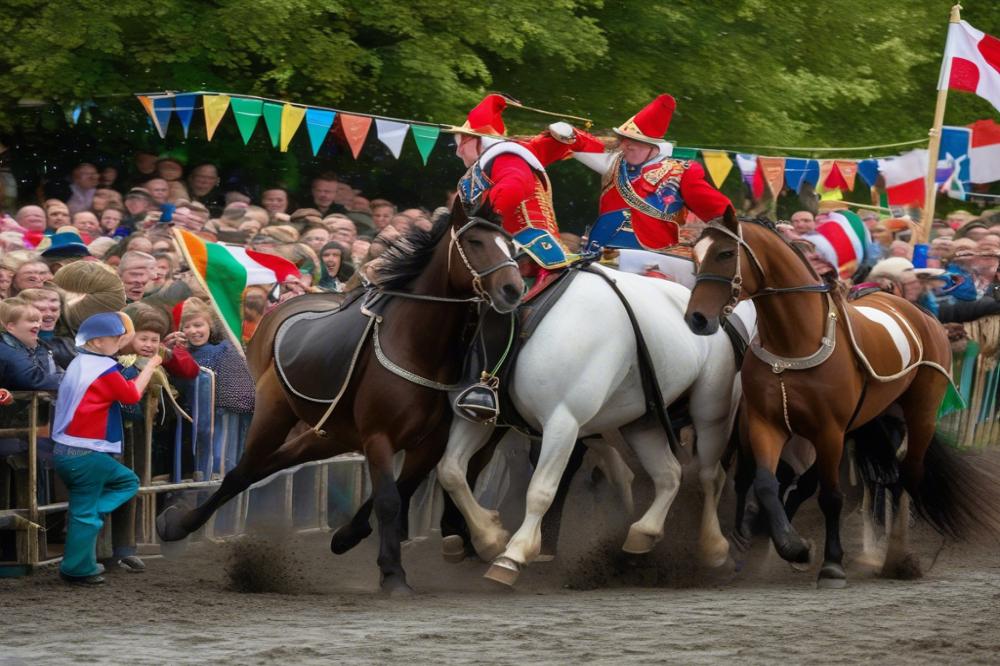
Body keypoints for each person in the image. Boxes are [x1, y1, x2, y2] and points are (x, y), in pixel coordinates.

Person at [51, 312, 161, 585]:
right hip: (86, 452)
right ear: (98, 341)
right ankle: (79, 568)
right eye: (116, 338)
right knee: (126, 484)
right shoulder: (103, 369)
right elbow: (131, 395)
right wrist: (151, 366)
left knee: (91, 505)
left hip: (68, 450)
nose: (121, 341)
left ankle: (81, 550)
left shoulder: (82, 361)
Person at [568, 94, 731, 255]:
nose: (627, 146)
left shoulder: (682, 172)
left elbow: (723, 215)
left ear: (655, 148)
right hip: (601, 253)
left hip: (652, 260)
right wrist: (567, 134)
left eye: (636, 142)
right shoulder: (614, 163)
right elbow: (579, 144)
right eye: (623, 140)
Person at [454, 94, 589, 270]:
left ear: (478, 140)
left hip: (525, 249)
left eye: (462, 141)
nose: (458, 151)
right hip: (521, 245)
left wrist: (480, 223)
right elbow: (543, 146)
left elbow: (513, 188)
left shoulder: (505, 158)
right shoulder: (507, 156)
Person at [177, 298, 255, 480]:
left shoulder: (224, 350)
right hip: (191, 421)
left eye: (198, 325)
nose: (193, 331)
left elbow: (241, 392)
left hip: (222, 419)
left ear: (210, 325)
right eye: (187, 326)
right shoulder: (180, 354)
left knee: (220, 462)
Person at [0, 298, 63, 390]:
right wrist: (73, 380)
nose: (38, 325)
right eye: (32, 321)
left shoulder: (36, 346)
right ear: (11, 326)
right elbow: (32, 380)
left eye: (38, 321)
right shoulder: (6, 350)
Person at [18, 287, 75, 369]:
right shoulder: (11, 343)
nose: (49, 314)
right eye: (41, 309)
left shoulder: (72, 340)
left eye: (54, 309)